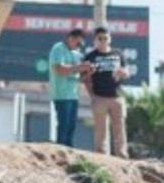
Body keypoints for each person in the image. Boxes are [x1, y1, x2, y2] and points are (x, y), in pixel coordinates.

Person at [83, 26, 131, 157]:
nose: (103, 40)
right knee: (100, 129)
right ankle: (101, 155)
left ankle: (121, 153)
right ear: (95, 40)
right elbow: (86, 78)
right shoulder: (90, 56)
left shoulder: (118, 54)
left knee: (120, 127)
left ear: (110, 39)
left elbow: (127, 72)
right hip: (100, 97)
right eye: (100, 38)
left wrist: (124, 72)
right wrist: (92, 95)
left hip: (117, 97)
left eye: (106, 38)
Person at [49, 28, 92, 147]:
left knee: (71, 127)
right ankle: (60, 151)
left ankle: (68, 151)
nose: (79, 46)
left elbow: (79, 78)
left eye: (81, 44)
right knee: (63, 125)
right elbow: (60, 69)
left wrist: (88, 71)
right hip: (61, 94)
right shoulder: (58, 48)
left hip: (73, 95)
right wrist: (80, 67)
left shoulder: (77, 54)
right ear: (70, 38)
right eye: (78, 43)